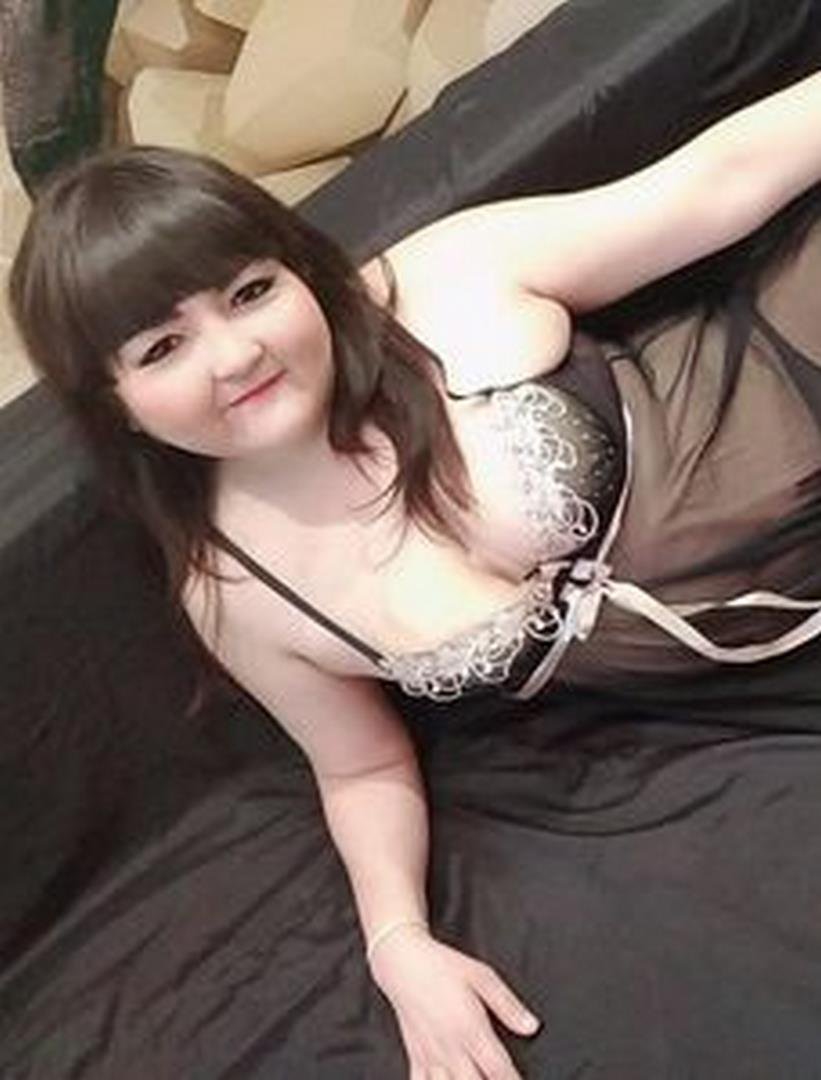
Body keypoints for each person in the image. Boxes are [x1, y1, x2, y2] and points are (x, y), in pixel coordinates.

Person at [8, 67, 821, 1080]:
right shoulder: (237, 593)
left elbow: (717, 180)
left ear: (299, 272)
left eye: (250, 292)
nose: (235, 354)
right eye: (164, 346)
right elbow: (360, 767)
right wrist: (397, 944)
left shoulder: (438, 283)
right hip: (753, 690)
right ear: (115, 403)